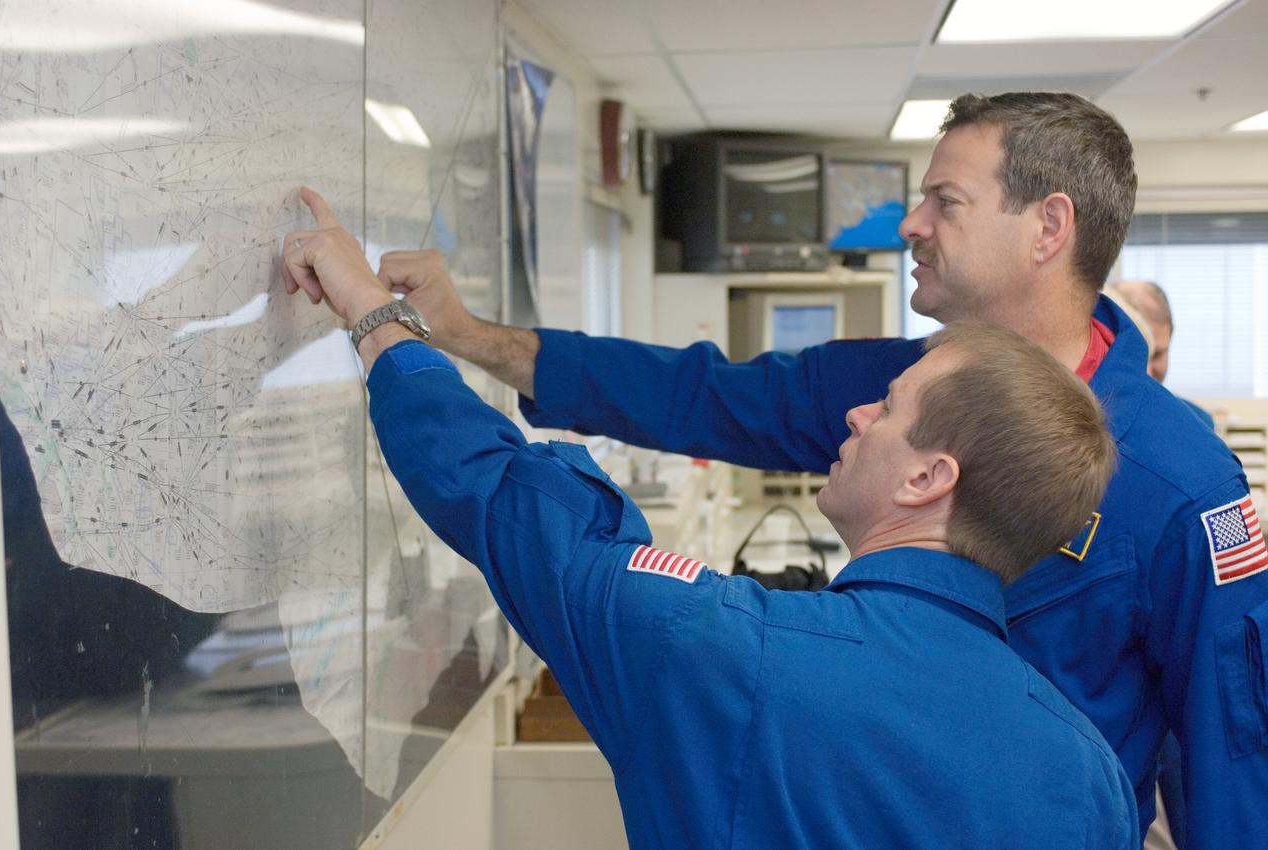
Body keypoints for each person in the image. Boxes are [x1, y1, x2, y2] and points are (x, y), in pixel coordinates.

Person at [365, 92, 1268, 847]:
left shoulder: (1184, 486)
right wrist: (468, 337)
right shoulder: (898, 381)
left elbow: (1230, 761)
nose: (910, 224)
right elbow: (698, 396)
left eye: (945, 202)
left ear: (1049, 227)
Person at [281, 187, 1136, 848]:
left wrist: (375, 314)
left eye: (889, 410)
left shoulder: (728, 651)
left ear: (928, 478)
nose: (855, 418)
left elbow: (506, 503)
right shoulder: (1089, 769)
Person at [1111, 279, 1215, 429]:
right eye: (1138, 355)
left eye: (1157, 355)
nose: (1148, 371)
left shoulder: (1199, 424)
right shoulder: (1093, 428)